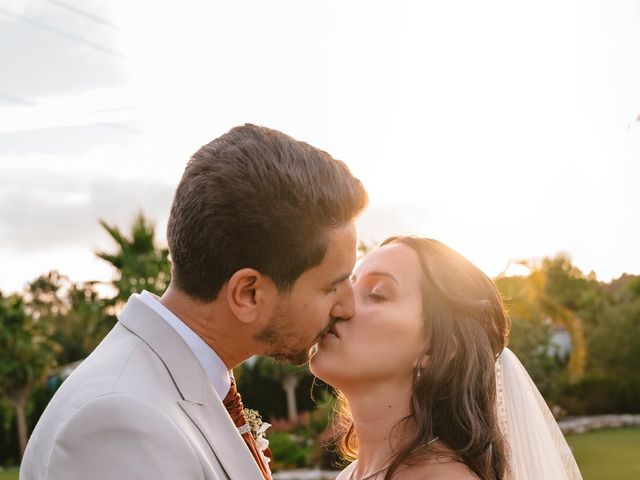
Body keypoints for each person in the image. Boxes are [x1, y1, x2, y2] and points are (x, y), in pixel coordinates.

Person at [20, 124, 368, 480]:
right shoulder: (122, 423)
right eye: (332, 286)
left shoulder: (179, 384)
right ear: (247, 294)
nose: (348, 306)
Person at [310, 237, 583, 480]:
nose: (341, 301)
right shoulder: (352, 474)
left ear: (437, 350)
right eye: (350, 282)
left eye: (376, 294)